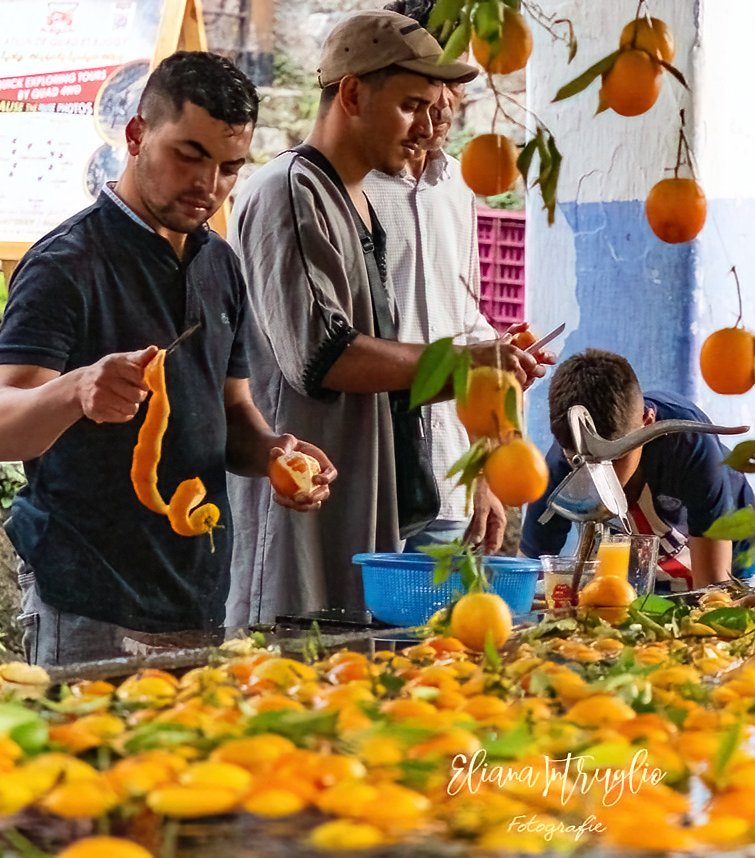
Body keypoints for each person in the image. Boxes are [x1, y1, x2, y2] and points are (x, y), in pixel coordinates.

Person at [0, 52, 334, 666]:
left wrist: (277, 452)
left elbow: (234, 411)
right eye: (188, 155)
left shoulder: (222, 264)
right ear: (137, 134)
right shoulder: (66, 264)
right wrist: (78, 389)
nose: (209, 184)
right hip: (87, 598)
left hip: (196, 592)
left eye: (228, 167)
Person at [226, 10, 545, 626]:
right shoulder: (291, 191)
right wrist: (463, 366)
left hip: (381, 498)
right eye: (411, 106)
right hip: (305, 505)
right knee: (297, 678)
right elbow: (326, 356)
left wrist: (485, 409)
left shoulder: (360, 199)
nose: (428, 127)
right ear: (351, 93)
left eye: (436, 108)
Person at [364, 77, 505, 552]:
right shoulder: (350, 187)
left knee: (444, 626)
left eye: (458, 86)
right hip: (372, 478)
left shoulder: (460, 187)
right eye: (434, 85)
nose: (444, 105)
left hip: (449, 480)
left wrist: (483, 468)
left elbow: (468, 324)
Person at [521, 349, 755, 589]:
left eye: (615, 460)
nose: (598, 481)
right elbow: (527, 574)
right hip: (648, 570)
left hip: (733, 548)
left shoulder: (688, 444)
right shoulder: (561, 465)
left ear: (647, 422)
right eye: (581, 464)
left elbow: (713, 589)